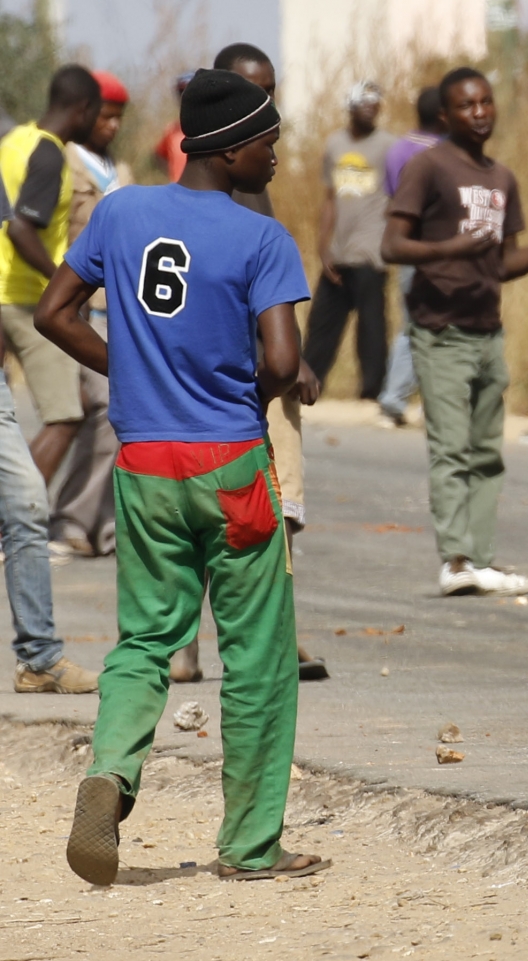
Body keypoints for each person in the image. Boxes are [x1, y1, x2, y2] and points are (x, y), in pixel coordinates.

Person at [39, 67, 327, 884]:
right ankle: (248, 844)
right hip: (230, 462)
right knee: (259, 654)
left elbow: (54, 313)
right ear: (232, 147)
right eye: (269, 141)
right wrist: (240, 386)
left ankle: (110, 774)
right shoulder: (261, 236)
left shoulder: (123, 209)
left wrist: (133, 370)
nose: (275, 155)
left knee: (145, 638)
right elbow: (281, 359)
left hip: (144, 461)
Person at [382, 66, 528, 595]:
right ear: (445, 115)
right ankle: (455, 560)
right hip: (439, 329)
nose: (480, 112)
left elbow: (503, 264)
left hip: (487, 330)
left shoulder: (501, 177)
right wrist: (450, 249)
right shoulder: (429, 167)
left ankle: (483, 559)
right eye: (467, 106)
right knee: (451, 448)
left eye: (487, 102)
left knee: (488, 451)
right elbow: (392, 246)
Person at [197, 42, 326, 685]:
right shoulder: (232, 179)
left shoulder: (255, 174)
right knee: (243, 508)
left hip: (263, 369)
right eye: (252, 92)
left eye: (271, 91)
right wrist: (286, 362)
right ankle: (211, 644)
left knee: (279, 510)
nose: (264, 106)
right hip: (249, 377)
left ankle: (281, 630)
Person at [0, 65, 102, 488]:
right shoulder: (47, 153)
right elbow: (21, 226)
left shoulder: (14, 142)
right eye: (96, 114)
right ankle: (12, 525)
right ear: (82, 110)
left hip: (6, 293)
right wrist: (64, 281)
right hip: (27, 299)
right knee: (64, 417)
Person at [53, 70, 134, 558]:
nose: (112, 124)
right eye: (105, 114)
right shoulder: (66, 163)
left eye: (119, 116)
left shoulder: (116, 167)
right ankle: (70, 518)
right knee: (104, 409)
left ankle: (102, 522)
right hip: (82, 306)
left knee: (108, 414)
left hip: (121, 306)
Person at [302, 81, 397, 401]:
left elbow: (400, 197)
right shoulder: (335, 145)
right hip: (338, 252)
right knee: (322, 324)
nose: (372, 109)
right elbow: (329, 198)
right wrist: (322, 245)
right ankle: (308, 384)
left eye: (376, 104)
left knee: (371, 326)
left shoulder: (388, 147)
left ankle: (372, 391)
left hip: (370, 250)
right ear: (351, 106)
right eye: (365, 103)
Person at [376, 87, 446, 427]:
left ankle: (394, 396)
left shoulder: (397, 148)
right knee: (440, 323)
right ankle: (416, 400)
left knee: (410, 323)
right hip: (441, 247)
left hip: (405, 244)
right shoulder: (447, 151)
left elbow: (393, 196)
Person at [151, 71, 194, 182]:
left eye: (190, 92)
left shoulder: (212, 127)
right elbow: (159, 155)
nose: (186, 97)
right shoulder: (172, 130)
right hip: (178, 192)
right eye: (182, 93)